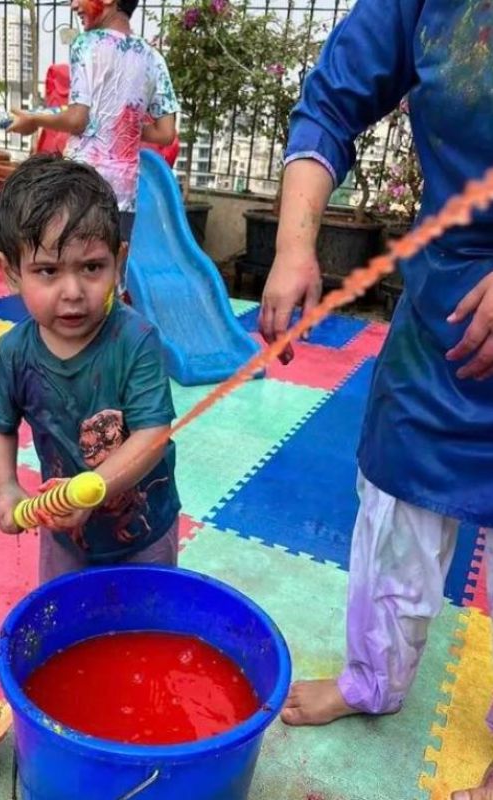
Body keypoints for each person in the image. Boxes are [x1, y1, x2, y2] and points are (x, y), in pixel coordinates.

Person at [258, 1, 493, 797]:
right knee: (394, 492)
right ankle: (373, 679)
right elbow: (330, 100)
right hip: (445, 304)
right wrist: (294, 244)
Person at [0, 154, 181, 582]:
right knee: (67, 627)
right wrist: (4, 486)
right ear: (11, 273)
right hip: (63, 535)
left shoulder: (136, 340)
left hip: (146, 532)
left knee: (147, 628)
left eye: (92, 267)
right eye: (47, 271)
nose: (72, 292)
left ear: (118, 261)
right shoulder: (15, 352)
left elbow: (153, 434)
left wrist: (95, 490)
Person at [8, 0, 179, 243]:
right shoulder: (153, 58)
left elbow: (78, 119)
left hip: (82, 187)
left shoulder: (87, 44)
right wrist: (122, 124)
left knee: (72, 265)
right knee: (111, 270)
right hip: (124, 193)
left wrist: (34, 119)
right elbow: (165, 133)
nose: (73, 5)